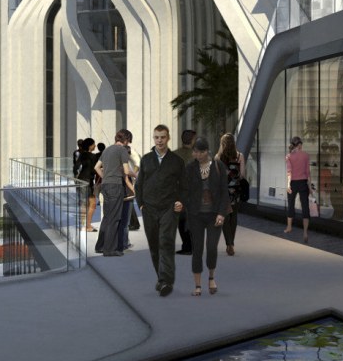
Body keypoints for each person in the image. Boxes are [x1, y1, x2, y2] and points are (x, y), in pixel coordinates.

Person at [134, 125, 186, 298]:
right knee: (154, 245)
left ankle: (166, 281)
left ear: (168, 138)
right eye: (156, 137)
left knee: (166, 242)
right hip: (149, 208)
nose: (159, 140)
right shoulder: (146, 159)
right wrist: (140, 204)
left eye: (162, 137)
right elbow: (139, 183)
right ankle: (161, 278)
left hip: (169, 208)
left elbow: (185, 186)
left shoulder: (177, 161)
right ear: (153, 138)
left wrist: (181, 202)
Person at [185, 135, 238, 295]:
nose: (196, 155)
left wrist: (222, 213)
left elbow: (224, 191)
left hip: (214, 214)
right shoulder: (190, 168)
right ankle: (198, 285)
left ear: (206, 151)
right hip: (196, 215)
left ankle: (211, 277)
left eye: (199, 152)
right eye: (195, 152)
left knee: (212, 248)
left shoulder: (218, 166)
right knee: (197, 249)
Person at [95, 129, 135, 256]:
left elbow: (96, 167)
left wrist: (106, 176)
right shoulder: (122, 150)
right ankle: (110, 250)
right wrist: (137, 175)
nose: (128, 144)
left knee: (107, 217)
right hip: (115, 186)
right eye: (128, 141)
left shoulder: (106, 150)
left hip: (105, 186)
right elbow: (127, 171)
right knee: (114, 218)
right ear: (126, 140)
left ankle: (100, 246)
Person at [215, 134, 245, 257]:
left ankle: (229, 244)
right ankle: (231, 243)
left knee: (225, 217)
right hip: (236, 190)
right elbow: (242, 174)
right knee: (234, 216)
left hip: (223, 192)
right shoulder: (239, 156)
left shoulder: (218, 157)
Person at [283, 136, 313, 239]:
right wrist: (310, 187)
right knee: (305, 206)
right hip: (303, 183)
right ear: (300, 145)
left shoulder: (289, 156)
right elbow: (308, 172)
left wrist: (288, 185)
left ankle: (289, 227)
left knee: (291, 205)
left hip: (293, 183)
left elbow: (289, 172)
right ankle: (305, 232)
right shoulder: (306, 155)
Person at [72, 136, 100, 235]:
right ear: (90, 146)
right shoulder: (92, 156)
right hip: (88, 181)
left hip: (81, 180)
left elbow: (75, 168)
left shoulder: (81, 155)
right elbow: (96, 169)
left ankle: (83, 225)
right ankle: (87, 226)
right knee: (92, 204)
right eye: (93, 144)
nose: (95, 145)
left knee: (84, 204)